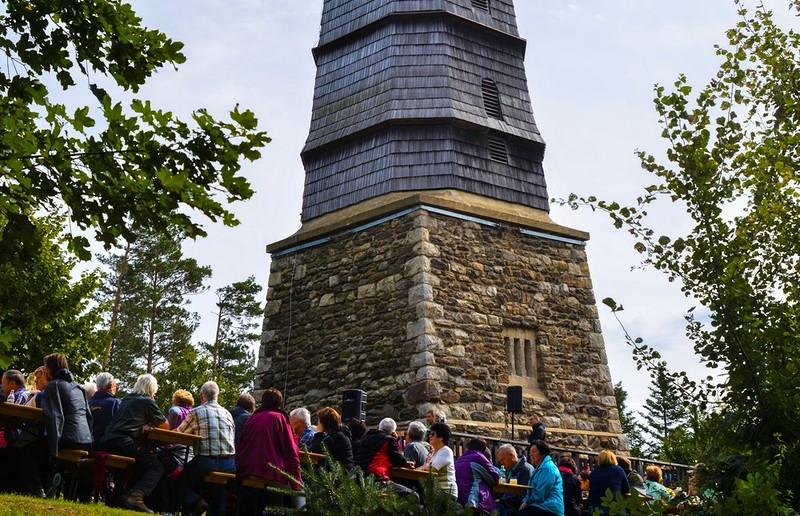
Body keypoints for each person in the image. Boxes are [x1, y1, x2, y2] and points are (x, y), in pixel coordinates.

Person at [98, 373, 169, 513]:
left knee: (140, 462)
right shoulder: (147, 402)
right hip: (123, 441)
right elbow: (165, 425)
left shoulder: (127, 399)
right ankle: (136, 496)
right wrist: (150, 424)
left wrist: (146, 422)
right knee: (156, 466)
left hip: (107, 440)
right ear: (152, 389)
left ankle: (124, 497)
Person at [236, 388, 301, 511]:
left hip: (245, 469)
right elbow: (290, 450)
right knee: (285, 489)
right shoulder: (279, 418)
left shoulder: (252, 419)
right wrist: (296, 480)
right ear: (279, 404)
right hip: (267, 470)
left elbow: (240, 444)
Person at [176, 381, 236, 516]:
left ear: (202, 396)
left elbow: (179, 433)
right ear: (217, 395)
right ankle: (220, 511)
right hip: (230, 463)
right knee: (218, 484)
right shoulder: (227, 413)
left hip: (206, 461)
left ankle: (196, 501)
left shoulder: (197, 412)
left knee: (180, 481)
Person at [41, 353, 93, 457]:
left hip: (66, 439)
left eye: (45, 368)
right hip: (85, 440)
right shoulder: (79, 388)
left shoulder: (53, 385)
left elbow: (54, 416)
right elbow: (89, 417)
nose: (45, 371)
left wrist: (53, 450)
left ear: (50, 369)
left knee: (29, 448)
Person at [355, 417, 418, 499]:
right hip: (377, 480)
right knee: (413, 496)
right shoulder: (389, 440)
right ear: (393, 432)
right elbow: (398, 459)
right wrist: (405, 463)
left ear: (378, 427)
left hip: (358, 479)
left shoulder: (365, 438)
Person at [455, 438, 499, 513]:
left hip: (458, 498)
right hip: (472, 501)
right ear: (484, 449)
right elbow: (494, 479)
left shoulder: (459, 459)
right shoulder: (479, 457)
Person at [519, 440, 563, 516]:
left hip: (549, 508)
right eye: (530, 452)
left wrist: (527, 502)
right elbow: (531, 491)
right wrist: (525, 501)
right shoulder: (539, 468)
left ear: (542, 454)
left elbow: (540, 493)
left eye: (534, 451)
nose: (531, 454)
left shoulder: (548, 468)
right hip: (539, 505)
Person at [418, 421, 458, 499]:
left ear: (441, 437)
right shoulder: (434, 452)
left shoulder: (446, 451)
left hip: (446, 492)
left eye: (433, 434)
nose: (430, 436)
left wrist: (419, 468)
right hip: (436, 492)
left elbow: (432, 469)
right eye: (430, 434)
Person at [309, 406, 354, 471]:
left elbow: (316, 449)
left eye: (319, 422)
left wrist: (318, 432)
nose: (318, 424)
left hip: (340, 475)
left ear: (324, 423)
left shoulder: (335, 437)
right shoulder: (338, 434)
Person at [585, 450, 630, 514]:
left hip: (596, 509)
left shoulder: (593, 473)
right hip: (614, 508)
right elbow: (626, 489)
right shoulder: (618, 470)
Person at [495, 443, 534, 516]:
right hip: (505, 503)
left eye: (503, 459)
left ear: (511, 455)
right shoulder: (507, 469)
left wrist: (502, 500)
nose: (502, 463)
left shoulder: (526, 470)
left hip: (517, 506)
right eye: (500, 460)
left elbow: (523, 494)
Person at [89, 372, 120, 443]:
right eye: (116, 385)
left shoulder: (87, 404)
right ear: (111, 385)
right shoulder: (115, 403)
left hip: (88, 445)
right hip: (107, 446)